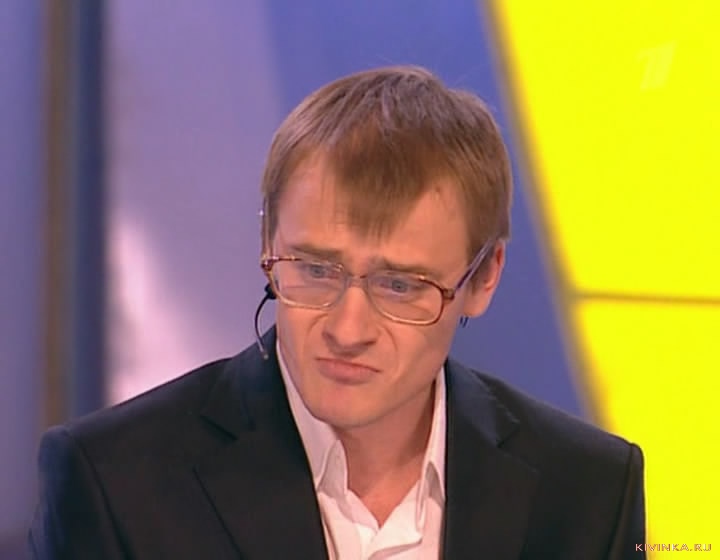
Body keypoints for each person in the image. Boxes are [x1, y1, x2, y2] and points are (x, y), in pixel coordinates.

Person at [29, 65, 645, 559]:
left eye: (400, 286)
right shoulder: (114, 482)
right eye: (316, 270)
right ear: (267, 245)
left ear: (483, 278)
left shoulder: (587, 490)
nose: (348, 331)